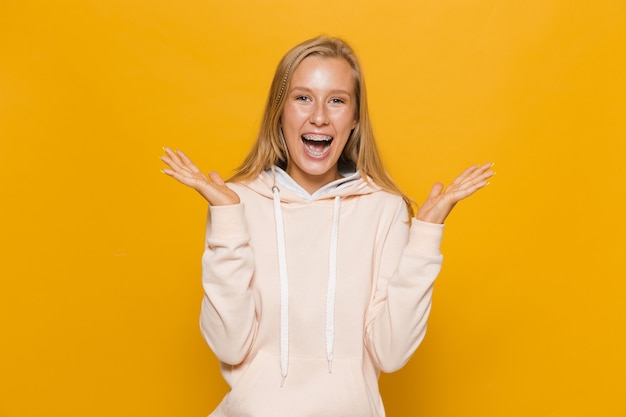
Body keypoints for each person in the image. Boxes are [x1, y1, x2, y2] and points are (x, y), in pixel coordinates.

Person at [161, 35, 494, 417]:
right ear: (279, 111)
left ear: (354, 119)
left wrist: (424, 237)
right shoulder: (239, 204)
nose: (319, 116)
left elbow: (392, 351)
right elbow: (229, 344)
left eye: (336, 100)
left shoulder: (384, 210)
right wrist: (227, 222)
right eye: (303, 97)